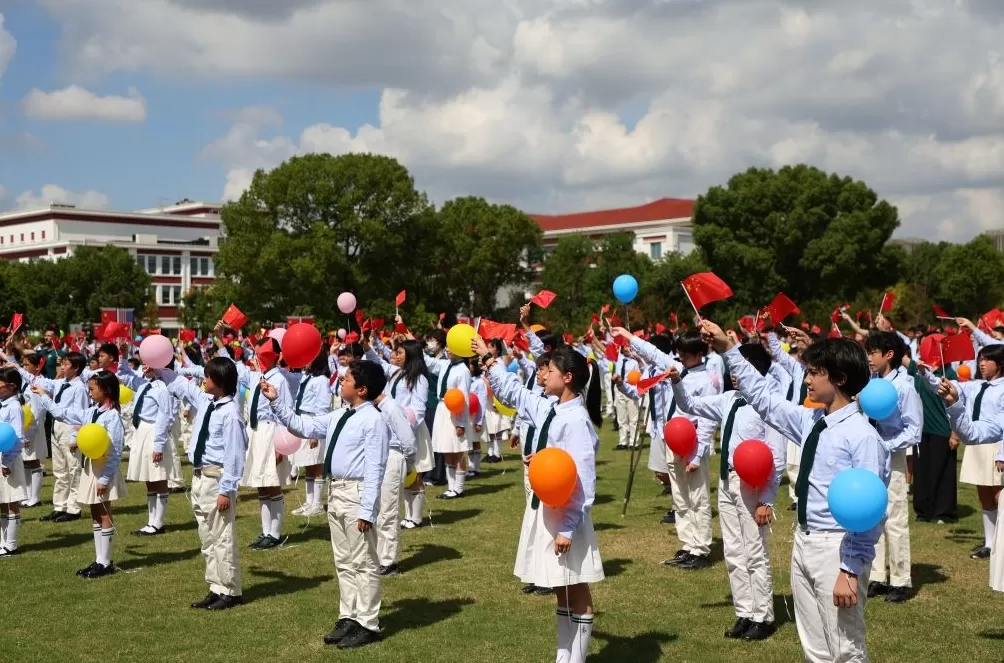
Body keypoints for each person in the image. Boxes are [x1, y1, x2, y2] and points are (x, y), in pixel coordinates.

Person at [700, 319, 886, 663]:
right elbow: (765, 399)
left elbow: (870, 511)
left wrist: (849, 569)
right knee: (814, 644)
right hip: (805, 540)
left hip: (837, 546)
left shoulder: (863, 436)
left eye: (815, 372)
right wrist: (729, 349)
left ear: (840, 379)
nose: (807, 379)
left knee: (845, 646)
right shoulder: (812, 422)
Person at [475, 338, 604, 663]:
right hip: (548, 509)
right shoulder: (550, 407)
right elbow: (513, 392)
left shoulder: (576, 420)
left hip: (567, 516)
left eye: (550, 370)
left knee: (575, 585)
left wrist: (568, 528)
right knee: (558, 585)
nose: (542, 376)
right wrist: (489, 360)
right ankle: (564, 656)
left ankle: (576, 659)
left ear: (569, 377)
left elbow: (583, 481)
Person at [262, 360, 390, 649]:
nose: (341, 382)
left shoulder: (373, 420)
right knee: (344, 560)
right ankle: (349, 615)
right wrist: (276, 401)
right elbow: (302, 425)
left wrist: (368, 510)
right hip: (337, 490)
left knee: (364, 561)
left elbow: (375, 468)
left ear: (362, 388)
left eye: (347, 379)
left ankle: (368, 622)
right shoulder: (339, 415)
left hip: (357, 492)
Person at [670, 341, 786, 640]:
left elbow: (776, 455)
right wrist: (676, 383)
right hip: (727, 481)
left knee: (755, 551)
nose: (734, 372)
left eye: (741, 365)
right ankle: (744, 612)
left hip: (752, 484)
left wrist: (767, 500)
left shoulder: (769, 403)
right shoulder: (731, 399)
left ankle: (763, 616)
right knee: (734, 551)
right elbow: (690, 406)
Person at [158, 358, 247, 610]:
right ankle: (215, 585)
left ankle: (230, 590)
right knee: (207, 537)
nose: (203, 380)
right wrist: (160, 370)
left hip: (216, 478)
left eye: (208, 377)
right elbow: (183, 386)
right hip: (199, 477)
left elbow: (235, 455)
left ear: (219, 382)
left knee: (222, 536)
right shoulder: (207, 401)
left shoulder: (230, 414)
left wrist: (226, 490)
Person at [32, 371, 128, 578]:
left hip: (103, 469)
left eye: (93, 388)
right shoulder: (92, 412)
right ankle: (99, 559)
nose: (89, 392)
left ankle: (105, 562)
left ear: (107, 390)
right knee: (95, 512)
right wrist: (44, 396)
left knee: (103, 512)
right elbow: (63, 413)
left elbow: (116, 450)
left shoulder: (112, 416)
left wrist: (104, 478)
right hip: (91, 466)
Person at [864, 332, 922, 603]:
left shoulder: (904, 386)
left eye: (873, 352)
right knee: (872, 516)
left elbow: (914, 430)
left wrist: (887, 444)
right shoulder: (869, 384)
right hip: (868, 455)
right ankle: (876, 575)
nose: (869, 358)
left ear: (889, 354)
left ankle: (900, 579)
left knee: (895, 518)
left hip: (893, 456)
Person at [117, 362, 174, 535]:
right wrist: (124, 356)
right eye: (143, 362)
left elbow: (165, 416)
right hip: (141, 430)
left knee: (158, 476)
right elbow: (124, 374)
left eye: (149, 363)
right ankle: (151, 521)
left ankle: (158, 522)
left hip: (154, 430)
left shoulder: (161, 388)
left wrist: (158, 445)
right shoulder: (143, 383)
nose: (144, 366)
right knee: (148, 478)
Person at [373, 391, 416, 577]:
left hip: (392, 456)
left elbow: (408, 440)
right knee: (375, 509)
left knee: (388, 510)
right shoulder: (372, 408)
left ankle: (387, 561)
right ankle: (376, 555)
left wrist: (409, 463)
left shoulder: (391, 407)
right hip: (375, 457)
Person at [290, 351, 333, 517]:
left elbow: (322, 407)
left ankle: (317, 503)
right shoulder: (307, 377)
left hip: (313, 421)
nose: (305, 362)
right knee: (308, 463)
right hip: (303, 420)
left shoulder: (322, 381)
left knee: (316, 463)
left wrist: (316, 433)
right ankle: (309, 502)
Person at [0, 367, 26, 556]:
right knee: (2, 500)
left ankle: (12, 543)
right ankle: (3, 541)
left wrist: (7, 462)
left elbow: (17, 437)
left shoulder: (15, 408)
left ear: (11, 386)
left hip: (10, 458)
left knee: (12, 500)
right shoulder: (2, 404)